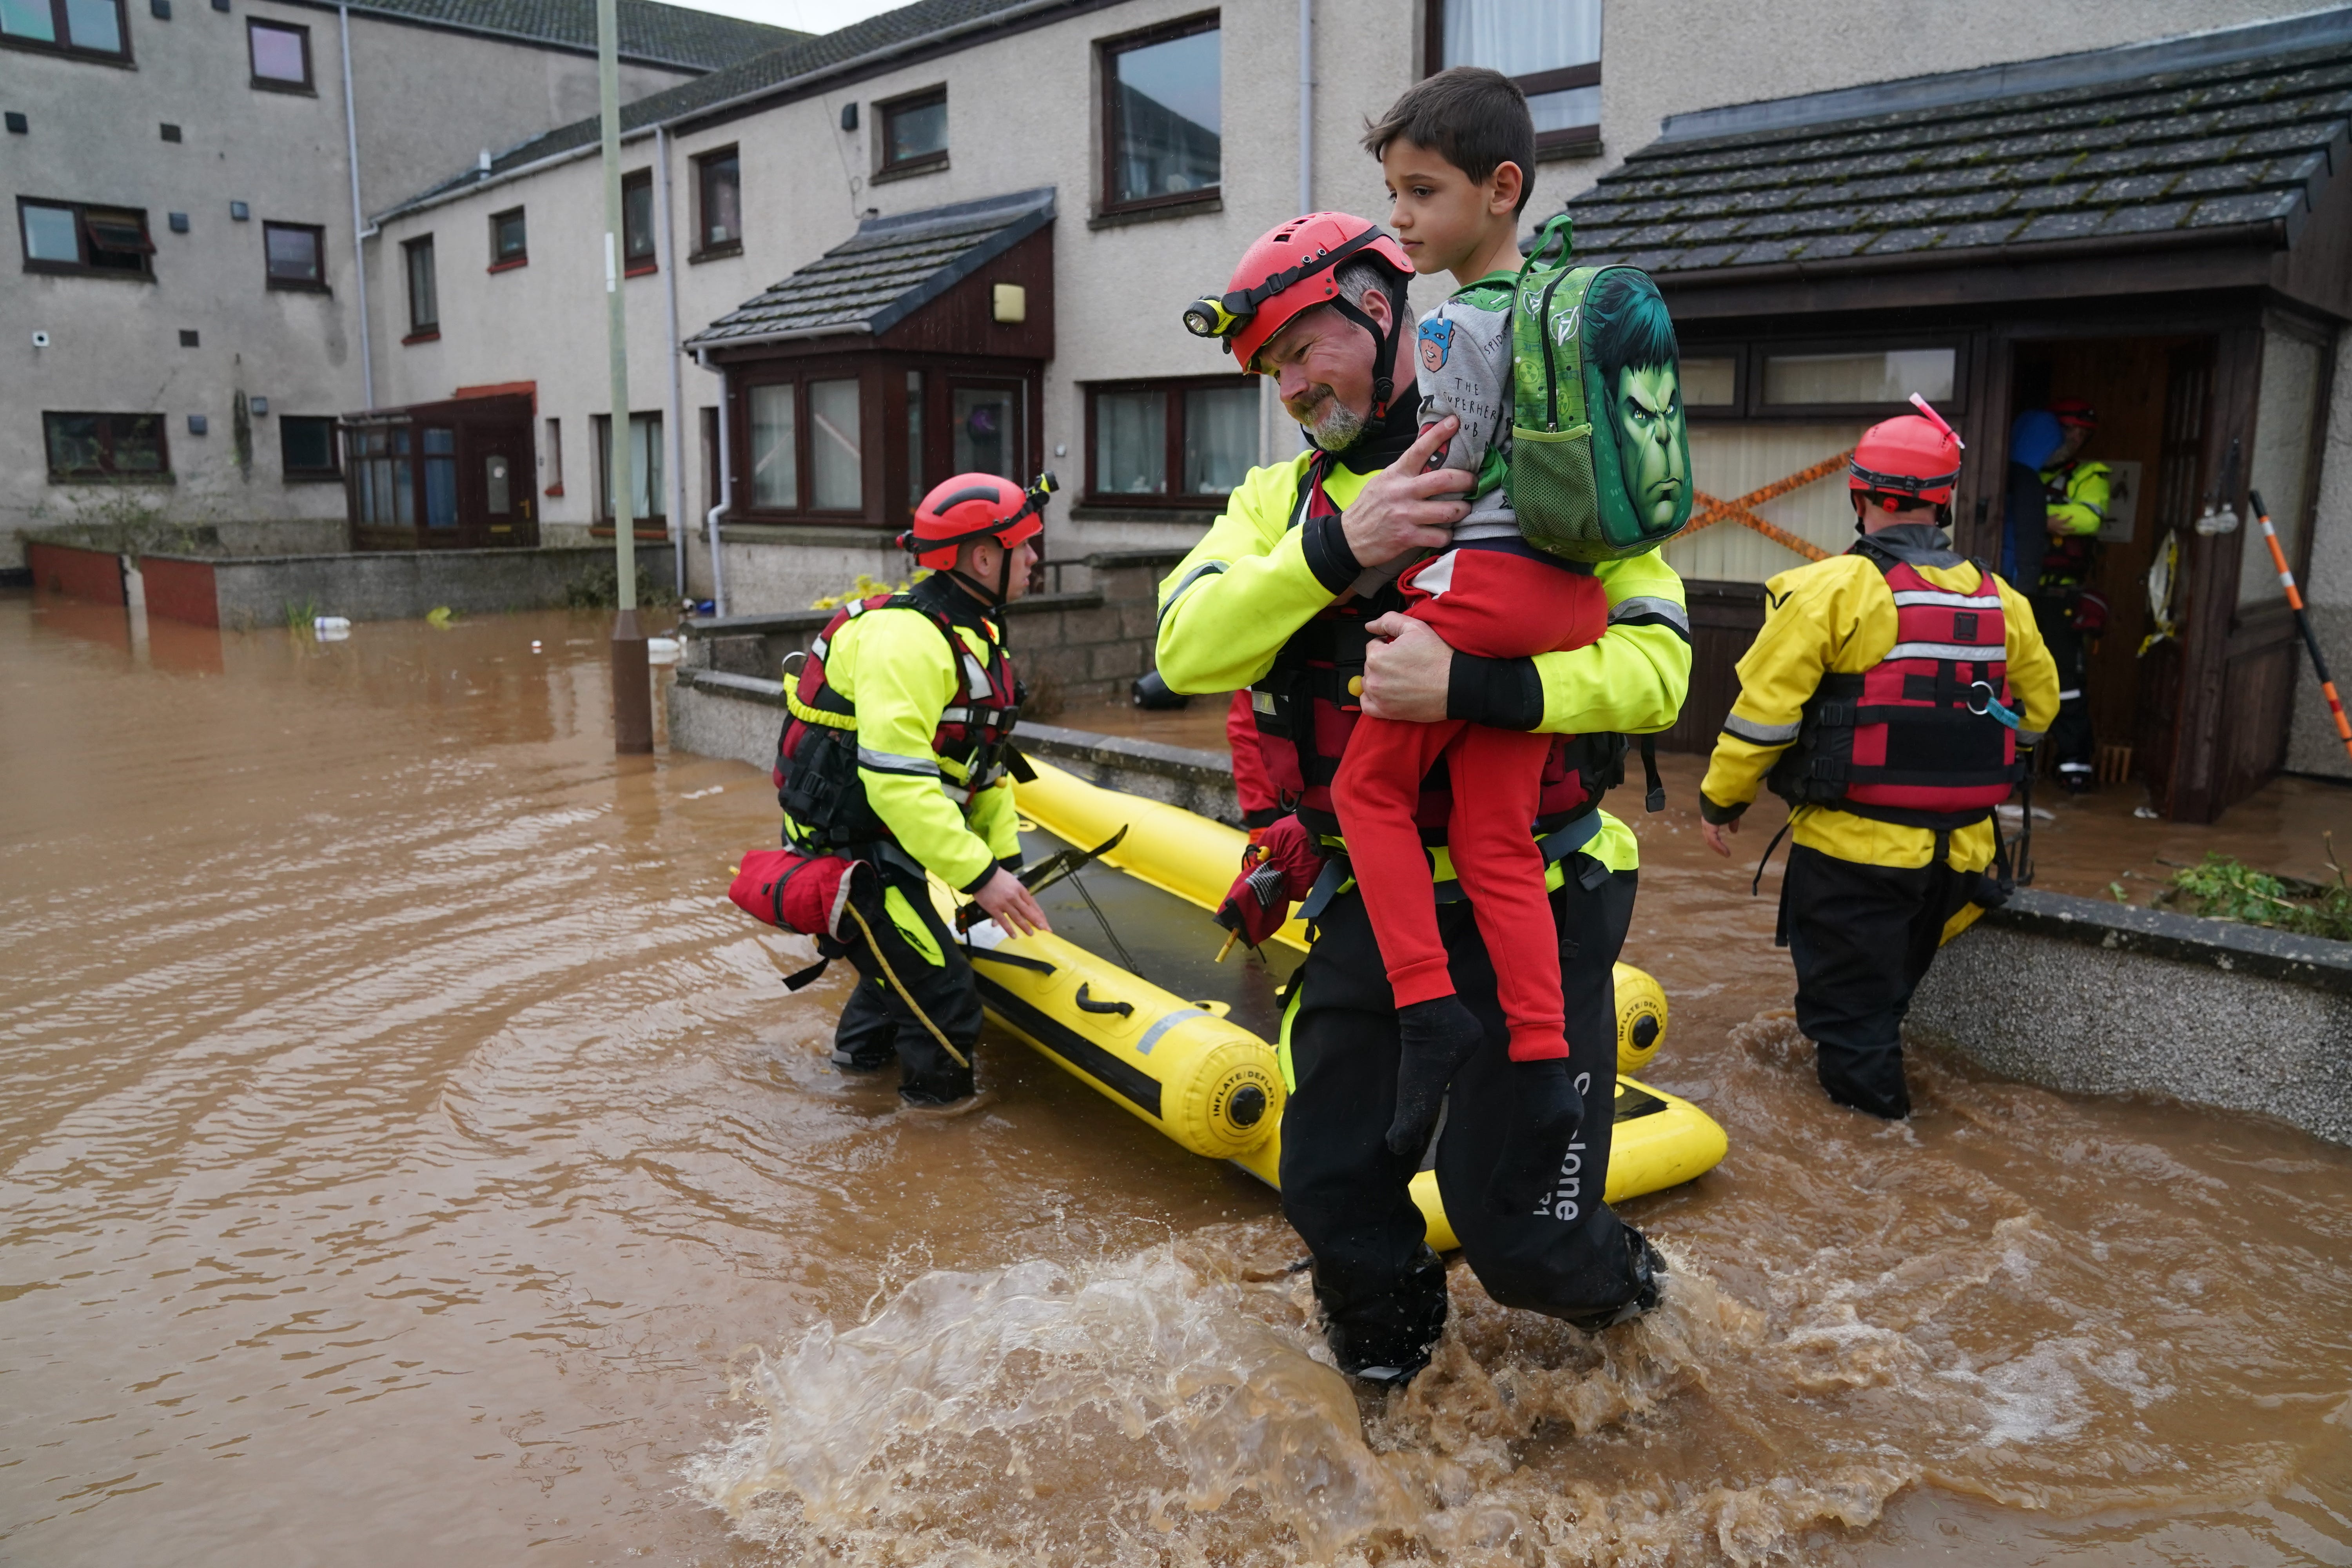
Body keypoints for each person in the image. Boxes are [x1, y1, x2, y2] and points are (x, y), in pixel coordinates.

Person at [1165, 213, 1691, 1383]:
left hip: (1541, 887)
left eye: (1305, 348)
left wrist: (1475, 683)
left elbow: (1661, 669)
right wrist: (1333, 548)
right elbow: (1184, 648)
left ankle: (1665, 1329)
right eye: (1270, 371)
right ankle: (1400, 1410)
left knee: (1524, 1238)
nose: (1293, 385)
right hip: (1374, 896)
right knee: (1332, 1190)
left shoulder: (1549, 466)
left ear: (1374, 300)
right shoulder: (1275, 503)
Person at [1332, 66, 1612, 1217]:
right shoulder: (1564, 304)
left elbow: (1444, 478)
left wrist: (1383, 543)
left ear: (1500, 189)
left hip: (1487, 582)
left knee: (1366, 792)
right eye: (1392, 194)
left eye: (1419, 192)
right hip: (1568, 595)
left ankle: (1425, 1010)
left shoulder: (1453, 321)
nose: (1397, 219)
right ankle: (1544, 1069)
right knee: (1497, 834)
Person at [1697, 401, 2061, 1119]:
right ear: (1946, 501)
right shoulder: (2004, 602)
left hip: (1853, 855)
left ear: (1857, 495)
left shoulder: (1830, 590)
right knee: (1881, 1007)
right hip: (1959, 858)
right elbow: (2037, 716)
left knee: (1849, 1028)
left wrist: (1722, 801)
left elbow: (1763, 719)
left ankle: (1882, 1163)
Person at [774, 473, 1055, 1106]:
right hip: (849, 858)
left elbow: (983, 765)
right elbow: (898, 787)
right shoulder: (907, 641)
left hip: (886, 843)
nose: (1036, 559)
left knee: (903, 971)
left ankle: (851, 1083)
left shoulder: (974, 631)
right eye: (1025, 545)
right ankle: (936, 1140)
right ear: (983, 557)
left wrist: (1004, 862)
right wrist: (981, 876)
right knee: (947, 999)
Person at [2023, 400, 2110, 793]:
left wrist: (2031, 515)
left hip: (2060, 595)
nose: (2075, 440)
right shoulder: (2020, 468)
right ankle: (2012, 764)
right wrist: (2049, 517)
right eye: (2068, 431)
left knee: (2066, 682)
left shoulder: (2090, 474)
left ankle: (2074, 763)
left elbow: (2089, 518)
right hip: (2017, 591)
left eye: (2082, 434)